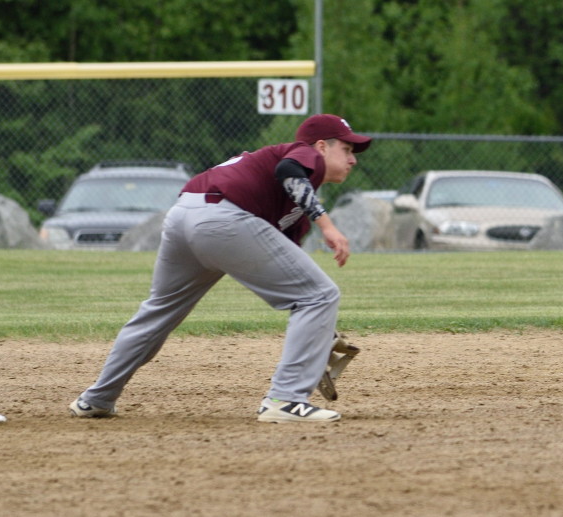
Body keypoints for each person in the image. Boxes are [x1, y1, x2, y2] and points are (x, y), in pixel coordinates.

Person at [69, 114, 371, 423]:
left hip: (184, 213)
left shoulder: (294, 209)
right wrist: (328, 226)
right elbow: (290, 170)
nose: (352, 160)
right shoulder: (304, 155)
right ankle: (286, 400)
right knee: (320, 296)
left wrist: (318, 336)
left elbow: (286, 271)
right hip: (223, 219)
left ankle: (97, 398)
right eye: (347, 150)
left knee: (159, 310)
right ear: (322, 146)